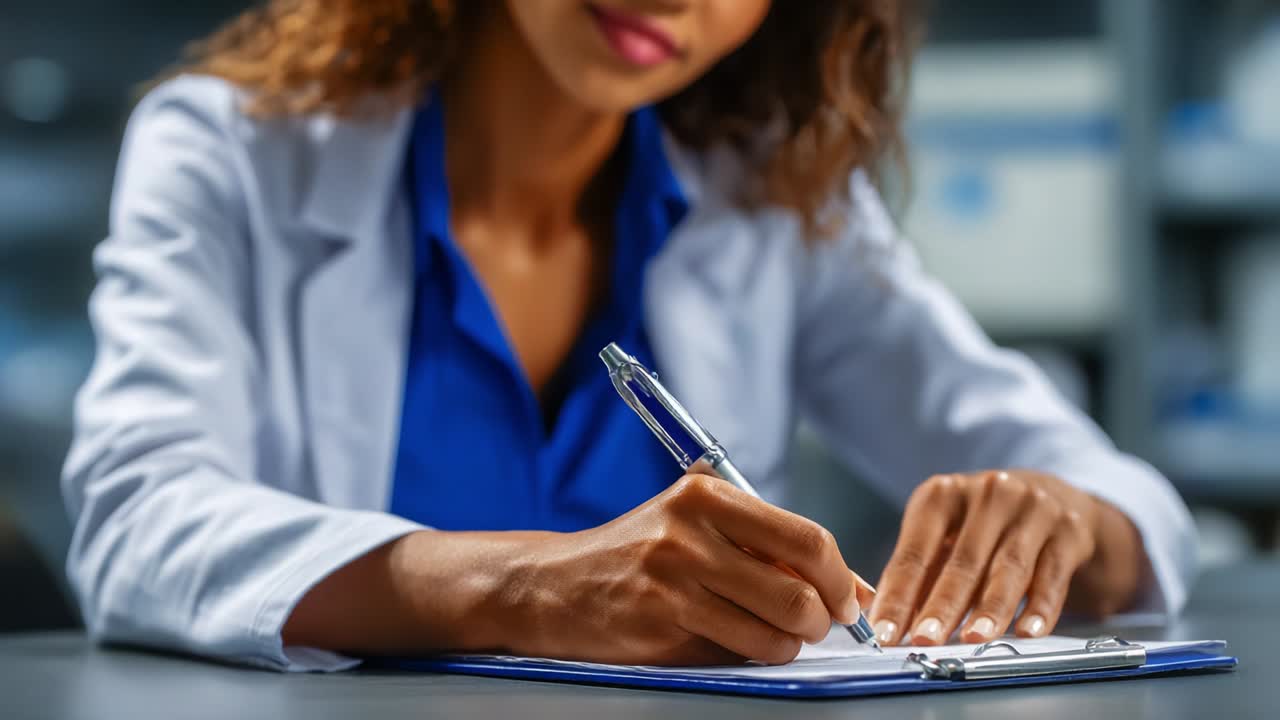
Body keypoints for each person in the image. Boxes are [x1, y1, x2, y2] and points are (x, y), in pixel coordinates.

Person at [63, 0, 1195, 672]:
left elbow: (1116, 494)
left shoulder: (771, 200)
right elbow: (133, 524)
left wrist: (1066, 524)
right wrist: (529, 588)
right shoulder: (230, 151)